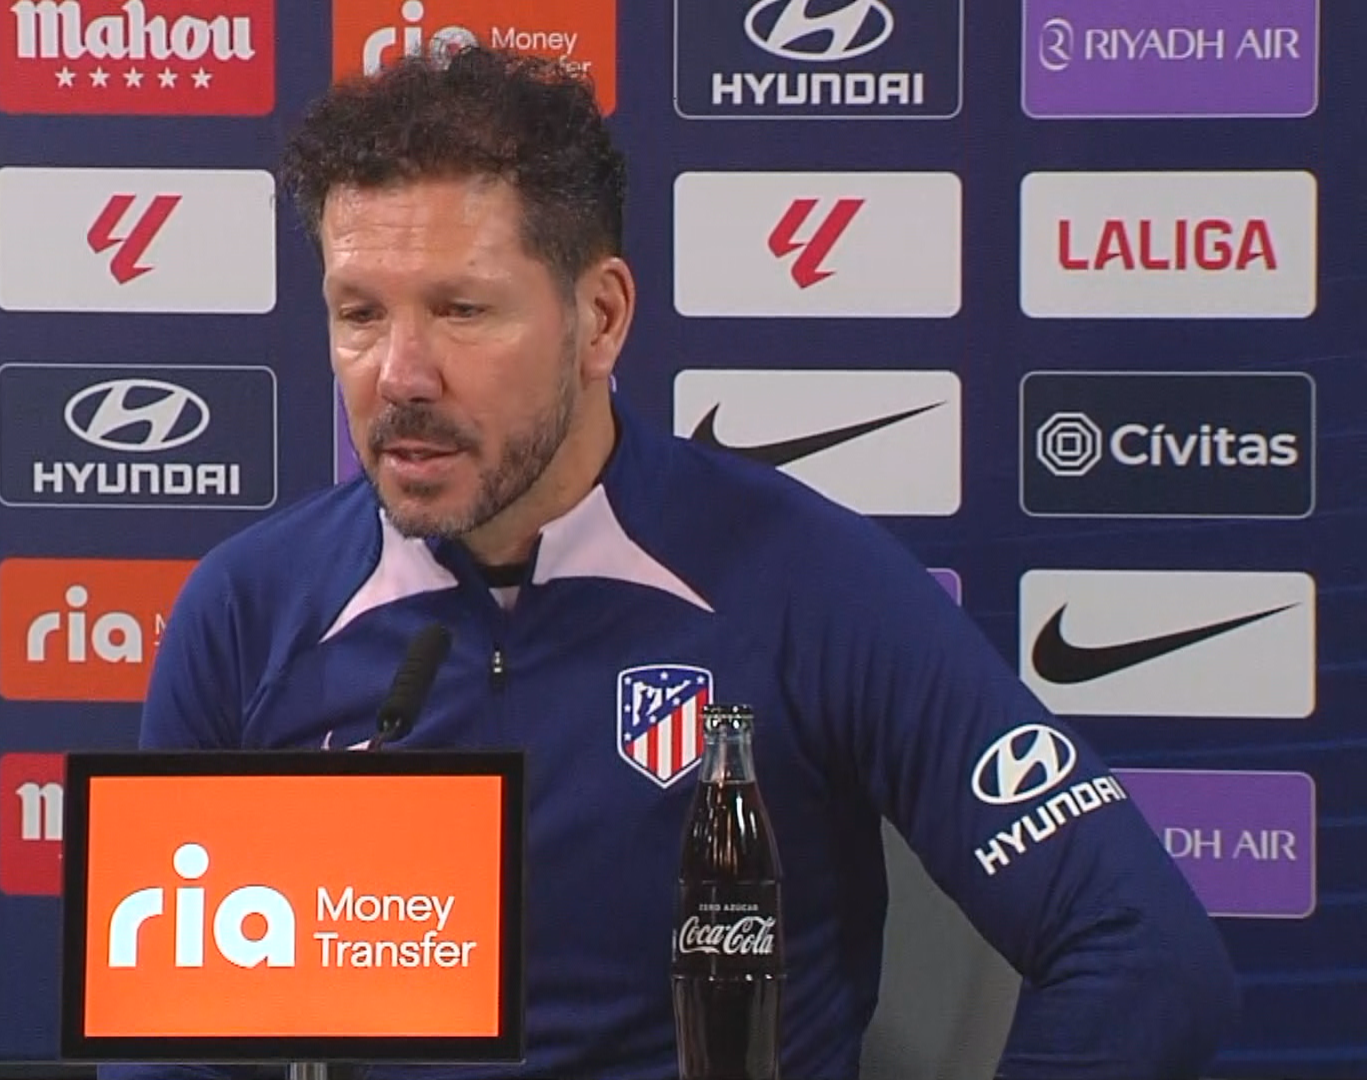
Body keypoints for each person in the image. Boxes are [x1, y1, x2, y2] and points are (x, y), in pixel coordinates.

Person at [103, 46, 1240, 1080]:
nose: (400, 373)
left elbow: (1145, 954)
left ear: (600, 320)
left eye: (461, 310)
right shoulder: (251, 609)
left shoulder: (809, 580)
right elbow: (165, 1052)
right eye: (359, 313)